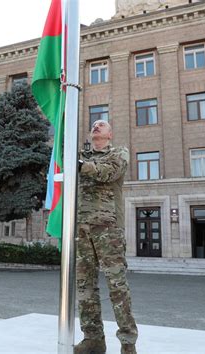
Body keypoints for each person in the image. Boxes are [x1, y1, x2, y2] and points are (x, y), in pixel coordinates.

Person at [74, 120, 138, 354]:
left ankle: (128, 343)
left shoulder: (118, 153)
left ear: (110, 134)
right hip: (81, 228)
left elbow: (109, 172)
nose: (96, 126)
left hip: (108, 228)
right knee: (84, 285)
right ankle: (93, 339)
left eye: (102, 125)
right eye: (93, 125)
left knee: (117, 286)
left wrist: (81, 165)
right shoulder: (79, 155)